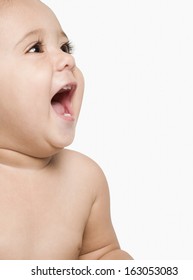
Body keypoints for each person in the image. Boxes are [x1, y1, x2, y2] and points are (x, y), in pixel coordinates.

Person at [0, 0, 133, 260]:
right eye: (36, 48)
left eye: (64, 46)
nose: (67, 59)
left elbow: (100, 252)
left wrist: (115, 263)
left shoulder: (85, 179)